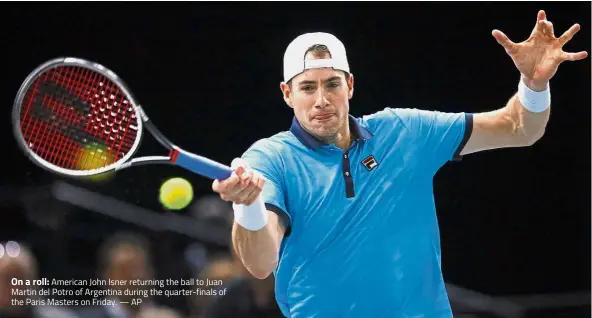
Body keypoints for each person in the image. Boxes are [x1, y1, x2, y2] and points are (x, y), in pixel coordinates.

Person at [212, 10, 587, 317]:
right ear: (287, 93)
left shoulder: (404, 130)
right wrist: (248, 207)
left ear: (351, 86)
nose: (321, 99)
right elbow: (260, 264)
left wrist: (533, 84)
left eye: (332, 84)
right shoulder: (269, 159)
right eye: (308, 87)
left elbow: (520, 128)